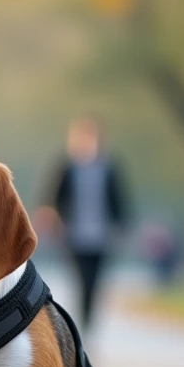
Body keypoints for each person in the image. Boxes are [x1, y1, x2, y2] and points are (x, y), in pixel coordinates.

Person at [38, 116, 130, 331]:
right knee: (81, 279)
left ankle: (88, 320)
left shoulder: (109, 168)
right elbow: (53, 196)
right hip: (73, 235)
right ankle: (81, 320)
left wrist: (122, 225)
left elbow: (118, 199)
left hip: (101, 236)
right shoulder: (67, 167)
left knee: (95, 281)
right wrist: (51, 219)